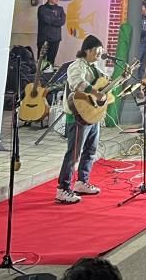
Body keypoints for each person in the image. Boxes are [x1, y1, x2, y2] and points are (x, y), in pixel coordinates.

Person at [56, 35, 106, 204]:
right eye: (97, 51)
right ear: (87, 50)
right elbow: (76, 83)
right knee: (73, 154)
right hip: (78, 115)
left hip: (92, 114)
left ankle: (81, 182)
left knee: (90, 151)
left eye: (101, 51)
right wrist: (95, 91)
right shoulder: (76, 66)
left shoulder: (95, 67)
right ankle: (63, 189)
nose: (100, 54)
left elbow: (104, 85)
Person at [37, 0, 66, 68]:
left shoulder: (60, 9)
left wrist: (53, 19)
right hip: (44, 39)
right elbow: (46, 19)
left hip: (56, 39)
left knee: (51, 60)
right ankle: (38, 78)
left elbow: (62, 21)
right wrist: (56, 19)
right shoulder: (42, 8)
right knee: (41, 60)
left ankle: (48, 77)